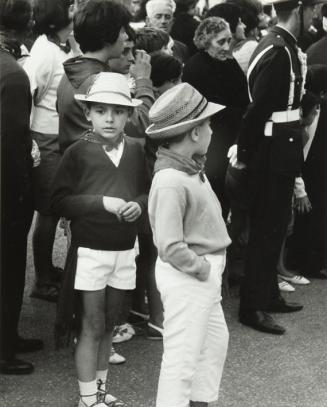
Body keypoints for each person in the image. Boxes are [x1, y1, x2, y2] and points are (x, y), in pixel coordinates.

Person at [51, 72, 148, 407]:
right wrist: (100, 202)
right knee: (91, 324)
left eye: (118, 111)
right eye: (101, 110)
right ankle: (87, 398)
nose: (110, 118)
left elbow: (147, 191)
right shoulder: (78, 152)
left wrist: (139, 204)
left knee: (110, 324)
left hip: (125, 249)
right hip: (91, 250)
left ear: (129, 115)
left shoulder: (136, 150)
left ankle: (101, 393)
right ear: (88, 113)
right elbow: (58, 200)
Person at [228, 0, 325, 335]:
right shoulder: (279, 50)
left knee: (273, 228)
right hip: (271, 152)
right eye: (313, 10)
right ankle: (251, 307)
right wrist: (243, 152)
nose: (315, 17)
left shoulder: (280, 44)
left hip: (279, 148)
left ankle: (267, 294)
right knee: (267, 231)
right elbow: (258, 109)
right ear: (298, 10)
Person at [147, 82, 230, 407]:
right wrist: (201, 269)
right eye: (208, 123)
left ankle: (199, 403)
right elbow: (169, 245)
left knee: (213, 344)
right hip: (190, 276)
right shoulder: (171, 180)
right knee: (182, 360)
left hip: (201, 276)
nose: (211, 128)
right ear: (194, 132)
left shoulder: (190, 168)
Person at [0, 0, 43, 375]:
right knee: (10, 266)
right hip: (5, 191)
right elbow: (11, 145)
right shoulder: (13, 75)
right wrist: (21, 193)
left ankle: (9, 337)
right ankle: (4, 346)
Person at [23, 0, 75, 303]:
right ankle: (42, 279)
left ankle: (48, 270)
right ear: (56, 18)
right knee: (48, 210)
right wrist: (29, 138)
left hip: (61, 136)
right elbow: (29, 92)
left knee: (54, 208)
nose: (76, 9)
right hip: (45, 136)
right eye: (70, 7)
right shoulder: (44, 50)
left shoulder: (65, 44)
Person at [183, 16, 249, 219]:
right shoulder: (196, 66)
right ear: (205, 41)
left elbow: (244, 96)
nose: (227, 46)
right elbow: (211, 107)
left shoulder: (229, 62)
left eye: (229, 40)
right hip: (211, 140)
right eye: (221, 41)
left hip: (232, 134)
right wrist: (243, 112)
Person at [57, 0, 131, 152]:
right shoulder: (101, 81)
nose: (125, 37)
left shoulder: (72, 70)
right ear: (108, 36)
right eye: (122, 31)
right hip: (96, 164)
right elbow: (134, 127)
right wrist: (144, 81)